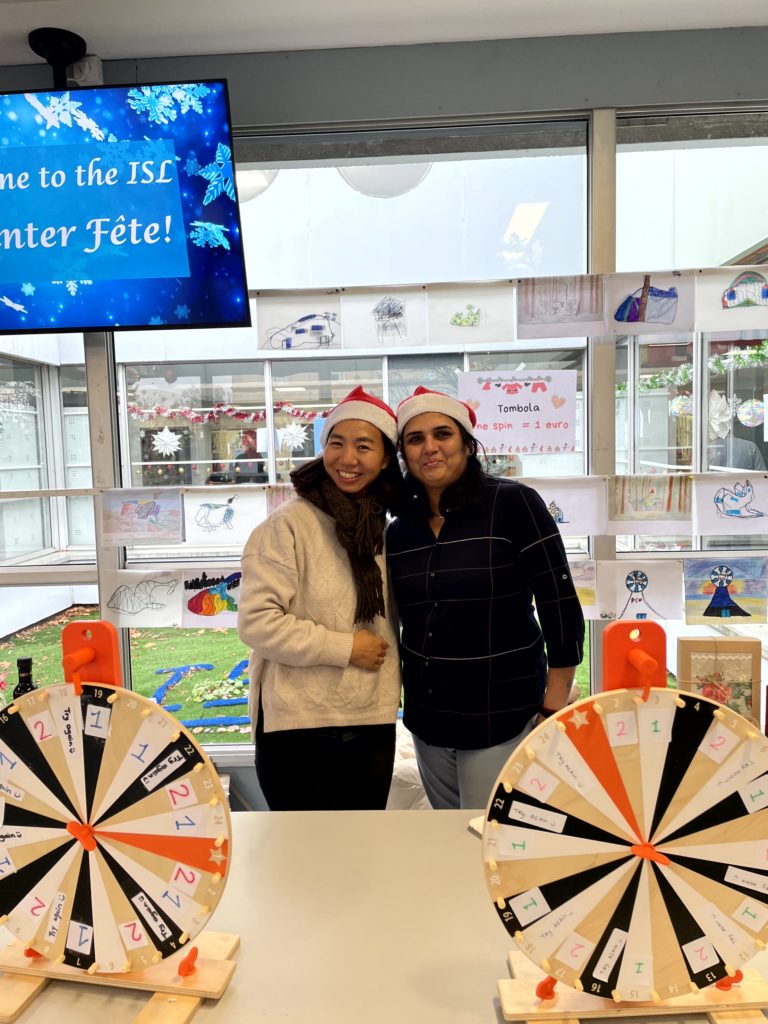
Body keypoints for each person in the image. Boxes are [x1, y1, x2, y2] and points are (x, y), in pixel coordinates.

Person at [386, 386, 584, 810]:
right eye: (415, 439)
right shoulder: (401, 530)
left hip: (502, 713)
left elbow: (559, 604)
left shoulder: (513, 503)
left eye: (443, 434)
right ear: (403, 452)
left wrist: (553, 705)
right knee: (446, 840)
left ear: (467, 444)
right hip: (429, 719)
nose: (430, 448)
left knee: (486, 843)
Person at [237, 387, 404, 810]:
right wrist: (345, 647)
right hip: (299, 726)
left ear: (385, 458)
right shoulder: (288, 526)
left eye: (364, 447)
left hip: (371, 719)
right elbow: (257, 623)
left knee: (361, 857)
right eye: (336, 443)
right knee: (302, 862)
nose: (348, 459)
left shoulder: (387, 527)